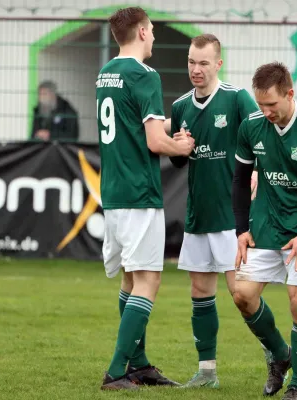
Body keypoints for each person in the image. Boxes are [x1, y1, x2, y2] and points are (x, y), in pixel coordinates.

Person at [95, 6, 194, 391]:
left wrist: (174, 128)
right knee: (149, 281)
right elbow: (154, 141)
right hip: (139, 191)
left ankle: (138, 364)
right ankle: (117, 371)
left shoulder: (107, 72)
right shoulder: (145, 75)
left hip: (114, 191)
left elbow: (136, 124)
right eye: (151, 30)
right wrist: (181, 147)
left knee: (132, 278)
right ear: (140, 32)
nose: (153, 36)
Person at [231, 61, 297, 400]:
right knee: (243, 296)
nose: (265, 112)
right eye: (261, 104)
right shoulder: (251, 126)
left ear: (290, 94)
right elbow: (239, 179)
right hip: (265, 225)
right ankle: (280, 356)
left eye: (272, 105)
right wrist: (241, 230)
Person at [165, 33, 259, 388]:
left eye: (203, 63)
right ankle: (207, 372)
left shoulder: (236, 99)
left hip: (231, 217)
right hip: (198, 215)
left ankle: (276, 352)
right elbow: (176, 163)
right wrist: (179, 148)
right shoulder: (180, 107)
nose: (196, 69)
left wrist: (259, 174)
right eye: (191, 61)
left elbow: (261, 137)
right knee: (200, 294)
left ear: (218, 63)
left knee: (243, 297)